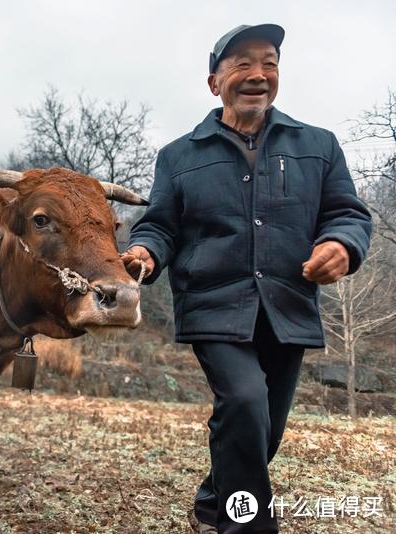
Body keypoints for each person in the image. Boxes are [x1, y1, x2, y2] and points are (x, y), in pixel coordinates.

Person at [122, 24, 372, 533]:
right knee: (243, 401)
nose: (258, 74)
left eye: (270, 62)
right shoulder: (179, 156)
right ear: (215, 83)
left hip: (288, 304)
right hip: (214, 304)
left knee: (263, 429)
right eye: (242, 63)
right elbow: (160, 224)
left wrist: (341, 244)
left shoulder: (319, 146)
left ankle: (214, 503)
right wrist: (145, 251)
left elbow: (348, 213)